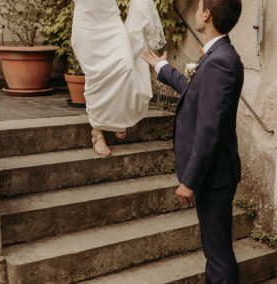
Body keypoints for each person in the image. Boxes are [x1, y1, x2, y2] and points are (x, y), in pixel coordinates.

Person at [142, 0, 243, 283]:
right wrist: (163, 67)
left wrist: (190, 180)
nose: (197, 12)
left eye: (199, 7)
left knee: (219, 256)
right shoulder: (219, 55)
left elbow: (210, 128)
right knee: (215, 251)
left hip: (213, 176)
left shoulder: (221, 60)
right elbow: (197, 93)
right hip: (213, 174)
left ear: (207, 15)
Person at [71, 0, 165, 156]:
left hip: (111, 22)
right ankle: (97, 131)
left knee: (126, 66)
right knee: (97, 75)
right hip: (87, 25)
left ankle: (117, 118)